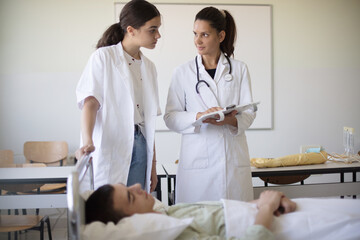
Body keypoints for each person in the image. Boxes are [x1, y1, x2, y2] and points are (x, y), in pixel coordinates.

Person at [164, 6, 256, 203]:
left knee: (236, 224)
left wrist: (231, 121)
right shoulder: (183, 72)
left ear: (221, 36)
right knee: (198, 224)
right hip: (197, 166)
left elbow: (249, 112)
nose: (197, 41)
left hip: (232, 163)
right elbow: (170, 118)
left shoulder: (239, 69)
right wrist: (198, 116)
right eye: (195, 34)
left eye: (204, 34)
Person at [75, 0, 162, 192]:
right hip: (110, 144)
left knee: (133, 210)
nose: (158, 35)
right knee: (108, 210)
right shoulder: (103, 57)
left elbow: (149, 122)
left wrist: (153, 166)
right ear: (131, 30)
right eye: (152, 30)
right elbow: (90, 102)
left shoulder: (149, 67)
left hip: (140, 144)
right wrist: (88, 140)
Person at [85, 183, 296, 239]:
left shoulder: (169, 213)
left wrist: (264, 200)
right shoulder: (179, 233)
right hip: (278, 224)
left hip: (273, 210)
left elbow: (220, 212)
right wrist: (267, 206)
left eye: (128, 186)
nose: (138, 186)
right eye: (131, 196)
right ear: (130, 221)